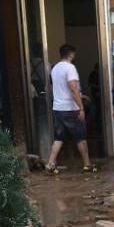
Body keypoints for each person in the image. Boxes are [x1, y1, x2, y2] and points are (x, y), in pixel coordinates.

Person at [46, 44, 92, 174]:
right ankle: (87, 164)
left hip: (58, 107)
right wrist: (81, 107)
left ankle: (50, 164)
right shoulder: (70, 68)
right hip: (71, 108)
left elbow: (60, 88)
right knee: (81, 137)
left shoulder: (55, 68)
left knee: (59, 137)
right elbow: (73, 88)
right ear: (71, 54)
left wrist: (80, 96)